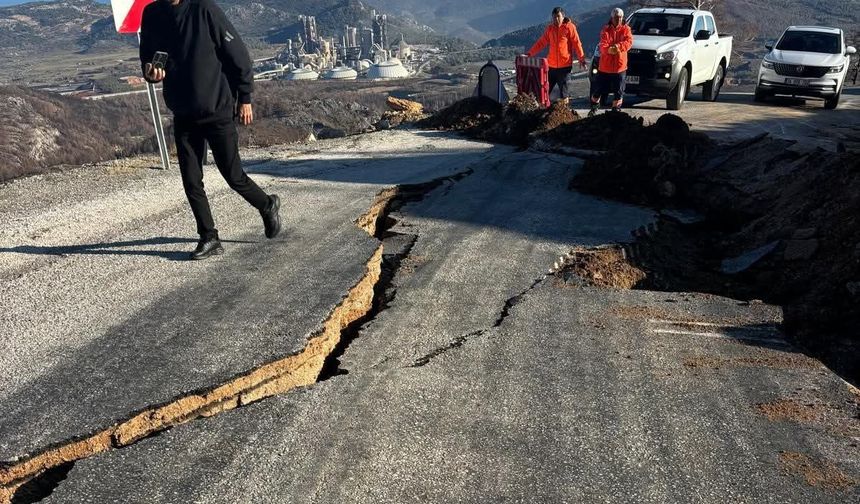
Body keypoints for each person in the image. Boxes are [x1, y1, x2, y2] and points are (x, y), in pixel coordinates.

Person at [140, 0, 281, 260]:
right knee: (191, 180)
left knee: (233, 175)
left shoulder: (204, 9)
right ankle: (209, 237)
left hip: (217, 108)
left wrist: (245, 97)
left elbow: (237, 53)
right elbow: (148, 58)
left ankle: (267, 204)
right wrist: (151, 73)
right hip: (183, 112)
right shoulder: (151, 14)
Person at [526, 6, 587, 102]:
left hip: (565, 67)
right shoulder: (550, 29)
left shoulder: (570, 27)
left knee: (564, 94)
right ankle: (542, 112)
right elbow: (541, 43)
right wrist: (529, 54)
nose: (556, 19)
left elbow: (577, 43)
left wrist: (582, 59)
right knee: (544, 91)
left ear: (563, 16)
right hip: (551, 67)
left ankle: (565, 114)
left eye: (558, 16)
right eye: (554, 17)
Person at [590, 8, 634, 116]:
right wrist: (609, 50)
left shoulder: (626, 29)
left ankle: (615, 111)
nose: (618, 19)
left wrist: (618, 47)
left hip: (620, 67)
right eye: (616, 17)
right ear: (612, 18)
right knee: (598, 90)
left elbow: (629, 42)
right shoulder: (605, 29)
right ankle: (594, 107)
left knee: (619, 92)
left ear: (622, 17)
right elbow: (602, 45)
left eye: (620, 17)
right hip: (605, 67)